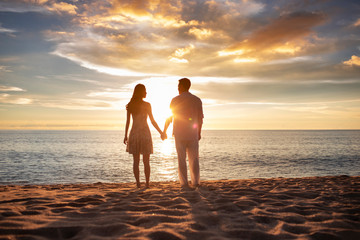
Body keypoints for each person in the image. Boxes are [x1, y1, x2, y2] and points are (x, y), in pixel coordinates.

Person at [163, 78, 204, 189]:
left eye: (178, 86)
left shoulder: (175, 100)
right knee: (194, 159)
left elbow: (170, 117)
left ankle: (184, 183)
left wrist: (164, 130)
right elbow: (200, 119)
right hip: (192, 133)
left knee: (181, 159)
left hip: (179, 133)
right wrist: (199, 132)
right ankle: (195, 182)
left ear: (181, 86)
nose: (178, 88)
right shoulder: (197, 100)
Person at [124, 84, 165, 188]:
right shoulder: (147, 105)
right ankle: (147, 184)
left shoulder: (131, 104)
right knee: (146, 161)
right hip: (145, 133)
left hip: (134, 133)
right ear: (140, 92)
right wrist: (161, 132)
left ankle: (138, 183)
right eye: (145, 91)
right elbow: (152, 121)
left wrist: (125, 135)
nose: (146, 93)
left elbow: (128, 122)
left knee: (136, 161)